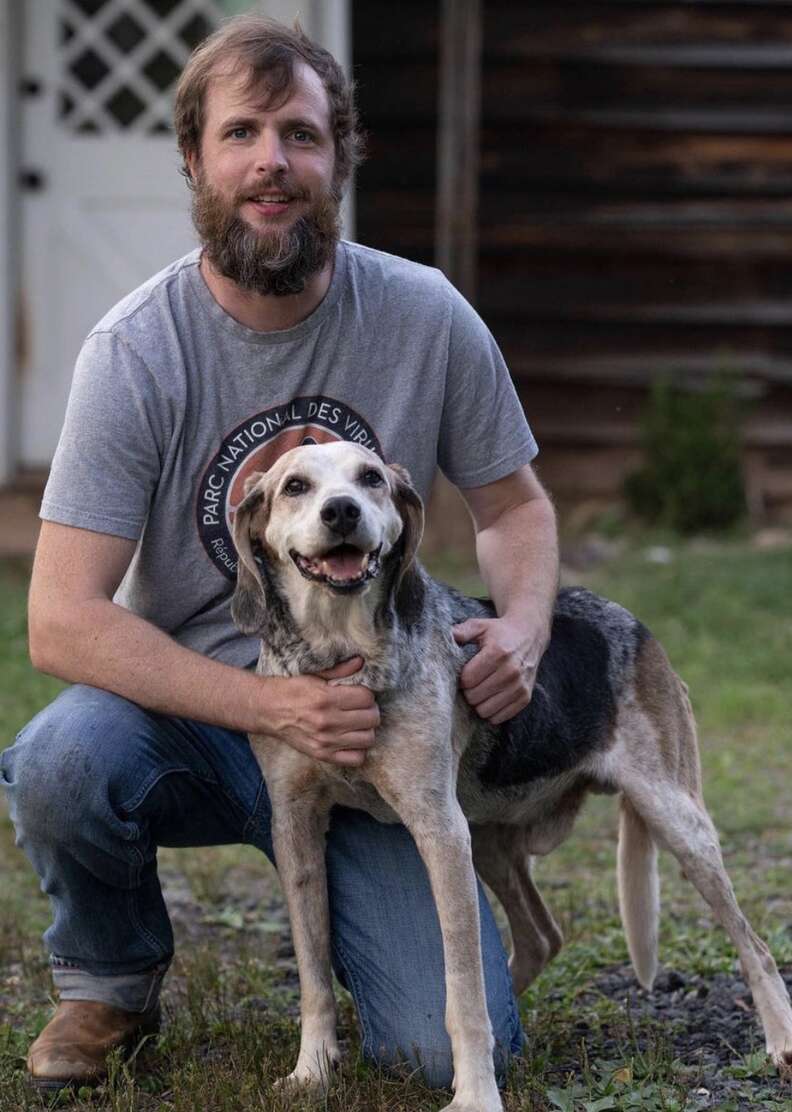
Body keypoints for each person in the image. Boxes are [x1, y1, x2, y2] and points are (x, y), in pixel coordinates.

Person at [1, 14, 558, 1094]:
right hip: (196, 714)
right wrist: (267, 707)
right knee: (64, 756)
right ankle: (109, 980)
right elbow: (60, 619)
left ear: (339, 156)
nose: (272, 162)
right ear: (195, 160)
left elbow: (517, 504)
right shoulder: (137, 350)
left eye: (300, 134)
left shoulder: (425, 314)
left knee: (439, 1050)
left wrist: (527, 625)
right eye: (242, 132)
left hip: (378, 720)